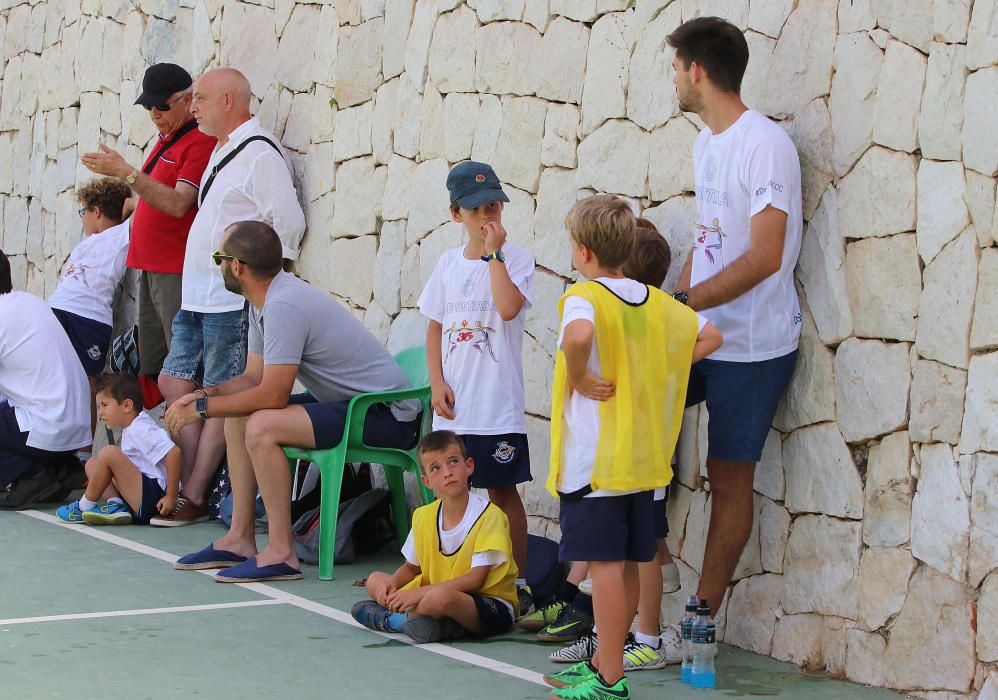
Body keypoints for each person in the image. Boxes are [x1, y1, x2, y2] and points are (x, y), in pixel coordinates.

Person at [164, 221, 418, 583]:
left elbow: (272, 394)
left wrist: (201, 411)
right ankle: (239, 538)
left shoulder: (284, 304)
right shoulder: (262, 300)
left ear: (237, 266)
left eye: (219, 257)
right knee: (239, 414)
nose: (217, 264)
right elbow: (253, 378)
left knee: (261, 425)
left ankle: (281, 553)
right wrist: (203, 395)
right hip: (352, 404)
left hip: (386, 415)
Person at [542, 196, 721, 700]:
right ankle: (604, 663)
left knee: (605, 575)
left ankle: (611, 680)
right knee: (620, 567)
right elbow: (713, 337)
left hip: (596, 465)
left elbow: (578, 335)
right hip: (643, 464)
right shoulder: (659, 303)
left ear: (582, 252)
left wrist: (579, 374)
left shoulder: (585, 298)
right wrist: (661, 369)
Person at [668, 16, 803, 619]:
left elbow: (766, 256)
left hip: (752, 347)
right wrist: (674, 306)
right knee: (632, 428)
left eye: (675, 67)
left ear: (697, 70)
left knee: (728, 480)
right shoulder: (705, 143)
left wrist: (690, 304)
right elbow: (710, 236)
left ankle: (699, 620)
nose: (673, 80)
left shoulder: (766, 143)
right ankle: (638, 598)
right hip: (702, 335)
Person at [154, 68, 306, 526]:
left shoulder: (259, 154)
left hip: (230, 299)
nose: (192, 106)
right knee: (173, 383)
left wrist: (261, 286)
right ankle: (192, 482)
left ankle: (195, 492)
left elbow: (289, 224)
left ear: (227, 100)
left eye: (198, 98)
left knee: (228, 391)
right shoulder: (224, 150)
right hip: (198, 292)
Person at [417, 160, 535, 615]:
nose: (487, 216)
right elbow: (434, 327)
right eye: (476, 209)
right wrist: (435, 381)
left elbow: (507, 309)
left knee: (504, 494)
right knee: (448, 491)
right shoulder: (447, 265)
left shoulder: (516, 259)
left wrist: (495, 256)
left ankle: (517, 584)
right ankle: (449, 578)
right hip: (455, 407)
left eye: (493, 206)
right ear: (456, 215)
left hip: (496, 405)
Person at [81, 63, 216, 387]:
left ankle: (188, 432)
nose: (154, 113)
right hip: (151, 266)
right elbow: (156, 192)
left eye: (162, 106)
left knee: (183, 364)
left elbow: (178, 202)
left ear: (187, 100)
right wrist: (132, 203)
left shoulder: (197, 141)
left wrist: (126, 173)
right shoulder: (168, 138)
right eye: (149, 106)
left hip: (174, 269)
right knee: (153, 365)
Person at [351, 430, 518, 644]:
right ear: (427, 481)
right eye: (436, 468)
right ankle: (438, 624)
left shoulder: (490, 516)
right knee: (375, 580)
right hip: (435, 594)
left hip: (488, 603)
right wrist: (391, 585)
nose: (447, 472)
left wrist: (417, 595)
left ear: (469, 466)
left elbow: (476, 579)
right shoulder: (424, 516)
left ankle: (399, 620)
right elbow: (411, 568)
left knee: (440, 598)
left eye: (453, 462)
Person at [0, 251, 91, 509]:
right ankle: (60, 469)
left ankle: (29, 475)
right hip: (72, 430)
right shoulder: (29, 302)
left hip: (45, 427)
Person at [48, 178, 132, 439]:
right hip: (58, 309)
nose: (83, 218)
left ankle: (83, 453)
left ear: (97, 211)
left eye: (84, 211)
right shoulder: (88, 242)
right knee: (52, 376)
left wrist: (127, 203)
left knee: (86, 383)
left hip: (89, 318)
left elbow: (144, 208)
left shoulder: (119, 235)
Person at [56, 373, 181, 526]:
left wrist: (171, 496)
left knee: (109, 453)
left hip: (154, 499)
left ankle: (84, 506)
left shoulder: (141, 428)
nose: (100, 413)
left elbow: (174, 453)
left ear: (127, 406)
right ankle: (116, 505)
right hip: (139, 494)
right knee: (92, 463)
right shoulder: (131, 428)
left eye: (104, 405)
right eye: (99, 406)